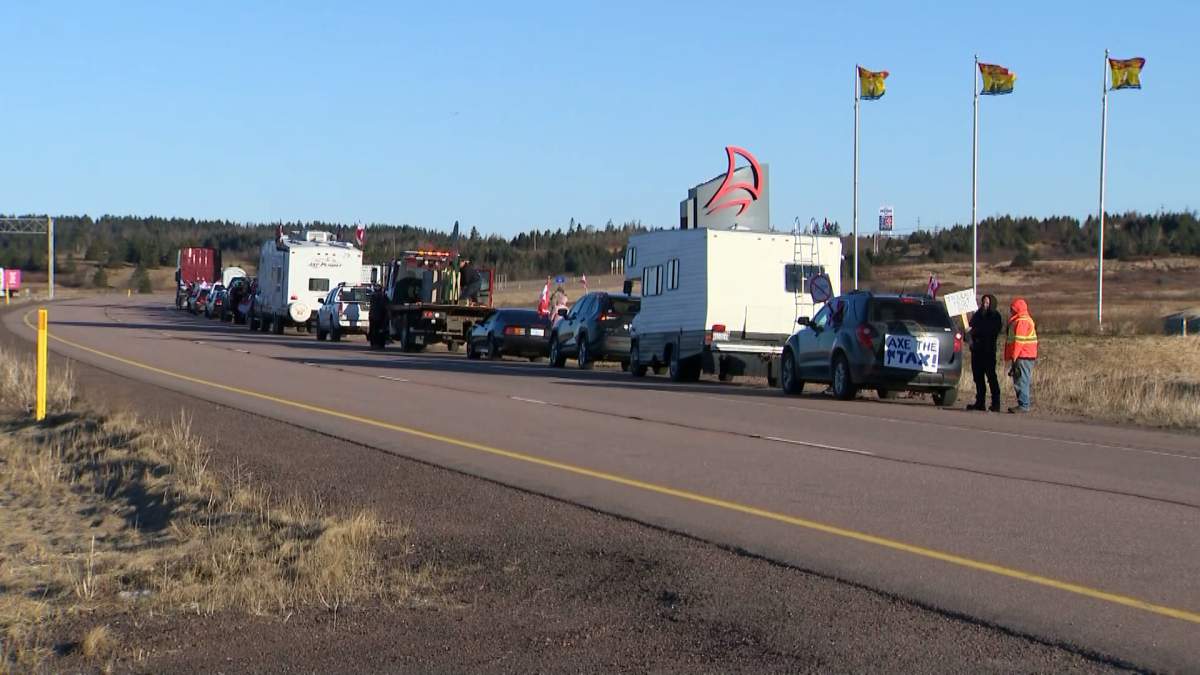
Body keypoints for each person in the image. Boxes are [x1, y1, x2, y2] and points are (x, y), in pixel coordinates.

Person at [966, 294, 1002, 412]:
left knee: (991, 377)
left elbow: (991, 330)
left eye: (987, 303)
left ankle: (996, 403)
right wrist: (968, 334)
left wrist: (976, 331)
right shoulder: (977, 315)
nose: (985, 305)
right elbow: (970, 328)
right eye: (983, 303)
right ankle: (980, 402)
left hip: (988, 351)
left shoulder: (995, 316)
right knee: (978, 377)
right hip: (976, 351)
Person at [1003, 297, 1038, 414]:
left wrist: (1014, 356)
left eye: (1012, 309)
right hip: (1025, 355)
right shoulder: (1024, 319)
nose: (1011, 311)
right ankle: (1023, 403)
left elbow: (1019, 341)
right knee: (1021, 379)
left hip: (1023, 355)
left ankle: (1023, 405)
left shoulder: (1021, 321)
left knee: (1021, 380)